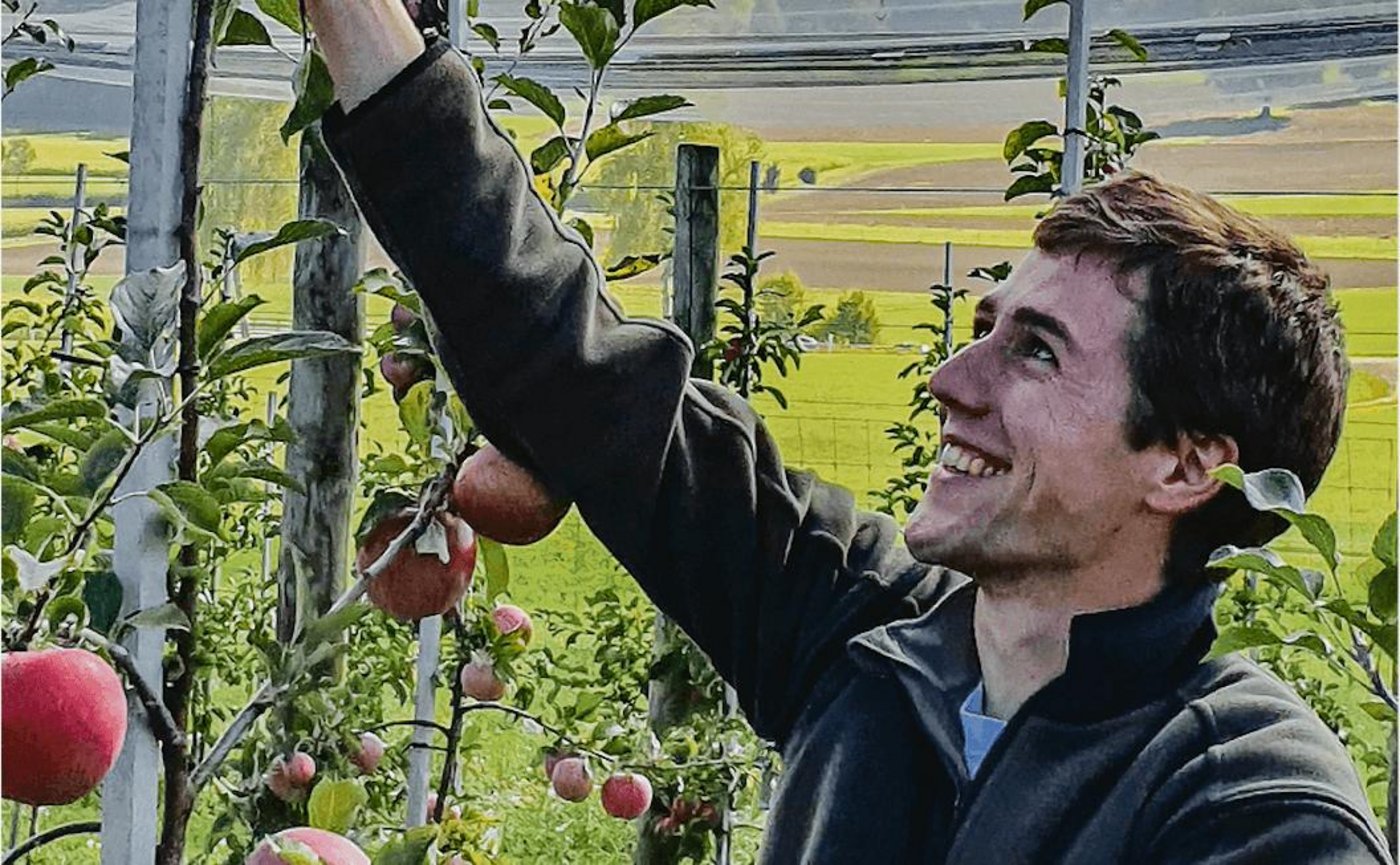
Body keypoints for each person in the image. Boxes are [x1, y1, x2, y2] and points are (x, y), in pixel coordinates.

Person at [303, 2, 1392, 861]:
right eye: (979, 328)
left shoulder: (1250, 810)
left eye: (1037, 350)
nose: (947, 379)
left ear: (1185, 461)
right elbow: (577, 375)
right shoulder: (864, 641)